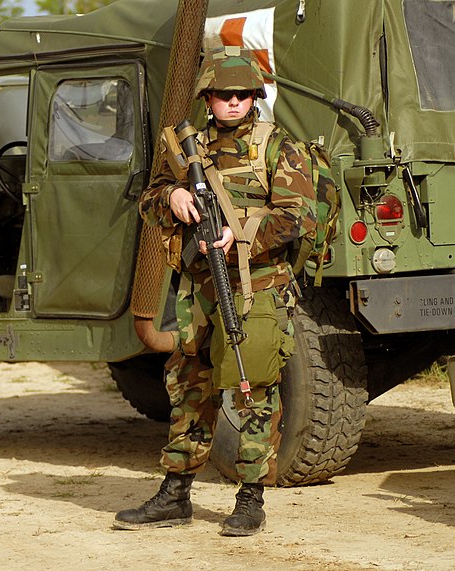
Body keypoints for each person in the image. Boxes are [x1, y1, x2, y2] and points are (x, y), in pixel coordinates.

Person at [113, 46, 316, 536]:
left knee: (255, 388)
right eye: (223, 94)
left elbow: (299, 215)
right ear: (208, 97)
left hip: (257, 289)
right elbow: (148, 199)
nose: (232, 102)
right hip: (198, 289)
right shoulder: (189, 148)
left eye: (242, 94)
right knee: (187, 386)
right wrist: (173, 195)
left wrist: (241, 233)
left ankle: (251, 498)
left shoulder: (276, 146)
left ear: (254, 97)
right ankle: (176, 491)